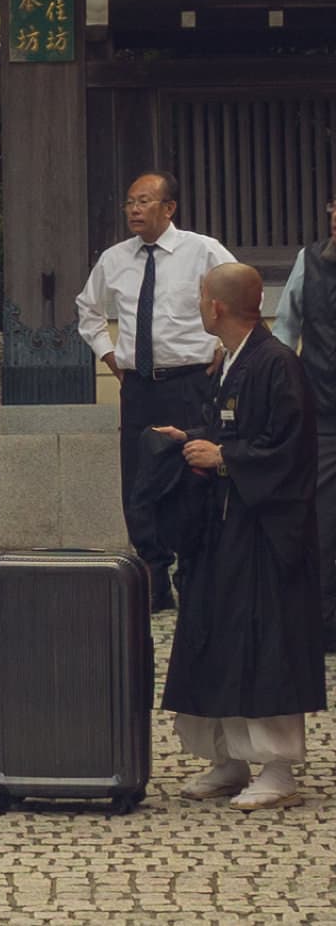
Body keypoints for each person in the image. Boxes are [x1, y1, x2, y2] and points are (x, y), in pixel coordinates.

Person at [153, 263, 326, 811]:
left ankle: (277, 767)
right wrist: (196, 439)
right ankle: (226, 759)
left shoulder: (277, 365)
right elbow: (234, 429)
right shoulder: (230, 361)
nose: (201, 306)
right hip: (223, 527)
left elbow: (289, 451)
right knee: (215, 636)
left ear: (217, 308)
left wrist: (225, 457)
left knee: (263, 643)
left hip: (263, 532)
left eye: (202, 298)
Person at [76, 172, 235, 612]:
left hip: (191, 382)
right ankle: (153, 571)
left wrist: (224, 344)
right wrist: (110, 357)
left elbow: (239, 290)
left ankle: (194, 570)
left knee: (191, 473)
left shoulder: (201, 250)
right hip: (140, 384)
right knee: (139, 480)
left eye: (144, 202)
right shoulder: (115, 258)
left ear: (169, 208)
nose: (134, 210)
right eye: (129, 203)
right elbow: (87, 311)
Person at [267, 197, 336, 649]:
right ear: (331, 210)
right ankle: (325, 627)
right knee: (323, 524)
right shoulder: (308, 263)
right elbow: (285, 330)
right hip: (324, 413)